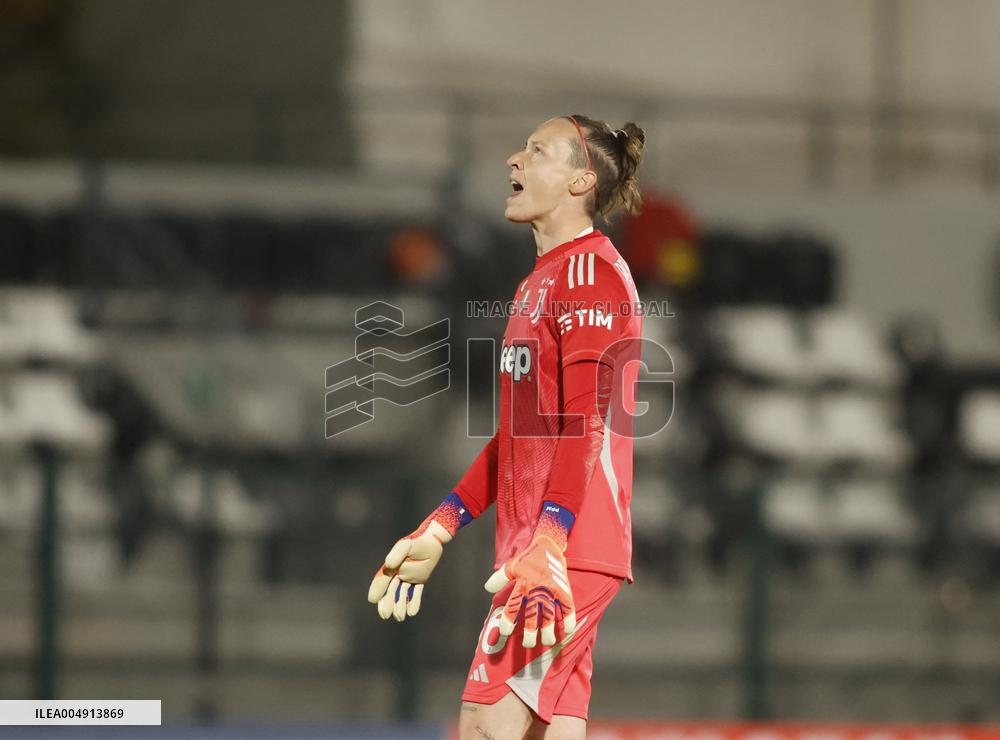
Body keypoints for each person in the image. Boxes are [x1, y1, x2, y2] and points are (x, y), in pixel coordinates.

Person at [368, 115, 646, 740]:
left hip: (564, 551)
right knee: (545, 731)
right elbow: (521, 437)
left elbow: (584, 425)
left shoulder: (589, 278)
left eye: (536, 150)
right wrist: (441, 526)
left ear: (580, 180)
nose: (513, 161)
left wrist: (551, 540)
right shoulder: (536, 285)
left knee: (483, 725)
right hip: (543, 552)